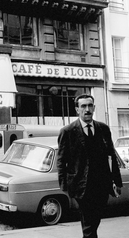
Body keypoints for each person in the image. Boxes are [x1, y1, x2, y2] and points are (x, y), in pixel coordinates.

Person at [57, 94, 123, 238]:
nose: (87, 110)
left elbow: (111, 155)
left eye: (90, 106)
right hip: (82, 185)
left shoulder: (103, 129)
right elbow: (61, 160)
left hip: (102, 184)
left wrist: (117, 181)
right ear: (77, 109)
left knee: (95, 219)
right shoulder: (68, 132)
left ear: (94, 108)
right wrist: (65, 186)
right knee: (88, 222)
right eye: (83, 106)